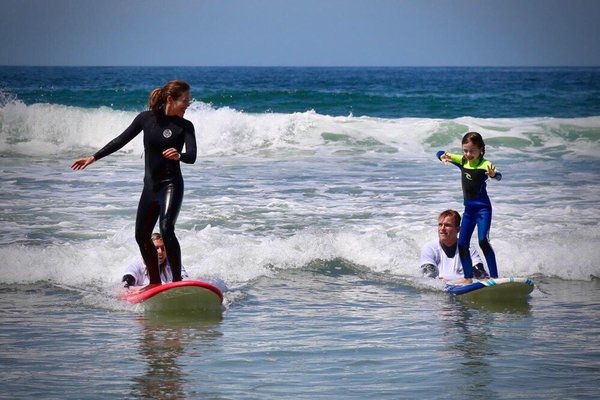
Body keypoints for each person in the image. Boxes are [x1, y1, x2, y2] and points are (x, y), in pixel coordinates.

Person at [72, 80, 197, 285]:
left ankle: (176, 282)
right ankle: (155, 282)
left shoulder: (185, 126)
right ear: (170, 99)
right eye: (185, 101)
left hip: (171, 185)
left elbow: (192, 156)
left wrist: (179, 155)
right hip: (150, 188)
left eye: (188, 102)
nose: (187, 105)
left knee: (166, 228)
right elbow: (121, 140)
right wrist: (93, 157)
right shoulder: (146, 119)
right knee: (141, 236)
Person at [437, 131, 501, 282]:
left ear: (481, 149)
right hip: (469, 211)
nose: (468, 154)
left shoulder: (485, 164)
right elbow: (440, 152)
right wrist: (442, 156)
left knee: (482, 241)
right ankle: (468, 278)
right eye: (465, 150)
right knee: (462, 243)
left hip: (483, 210)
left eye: (472, 151)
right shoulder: (463, 161)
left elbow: (498, 175)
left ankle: (494, 277)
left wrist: (492, 175)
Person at [420, 209, 488, 280]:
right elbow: (428, 276)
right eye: (440, 225)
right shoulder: (429, 248)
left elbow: (478, 270)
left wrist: (484, 277)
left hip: (464, 285)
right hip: (441, 286)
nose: (442, 228)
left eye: (447, 225)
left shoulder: (468, 247)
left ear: (458, 229)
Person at [122, 232, 189, 287]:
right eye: (156, 248)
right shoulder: (136, 267)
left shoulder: (173, 264)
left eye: (163, 248)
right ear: (149, 250)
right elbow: (125, 287)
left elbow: (186, 280)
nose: (160, 252)